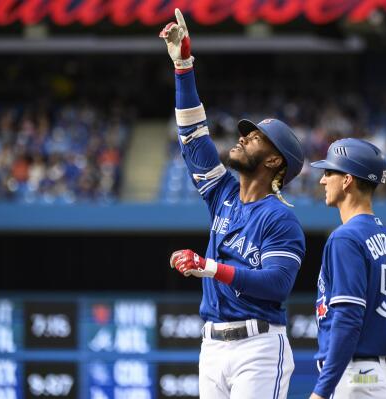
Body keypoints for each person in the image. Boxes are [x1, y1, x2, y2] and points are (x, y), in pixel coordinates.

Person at [160, 9, 306, 399]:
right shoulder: (224, 193)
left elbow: (276, 285)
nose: (243, 138)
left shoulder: (281, 220)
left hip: (257, 347)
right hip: (212, 346)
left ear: (275, 160)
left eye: (255, 137)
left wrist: (209, 268)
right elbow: (192, 136)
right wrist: (184, 66)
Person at [308, 138, 386, 399]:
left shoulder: (345, 238)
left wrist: (321, 392)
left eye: (328, 172)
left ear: (347, 180)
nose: (323, 180)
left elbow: (348, 319)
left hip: (358, 378)